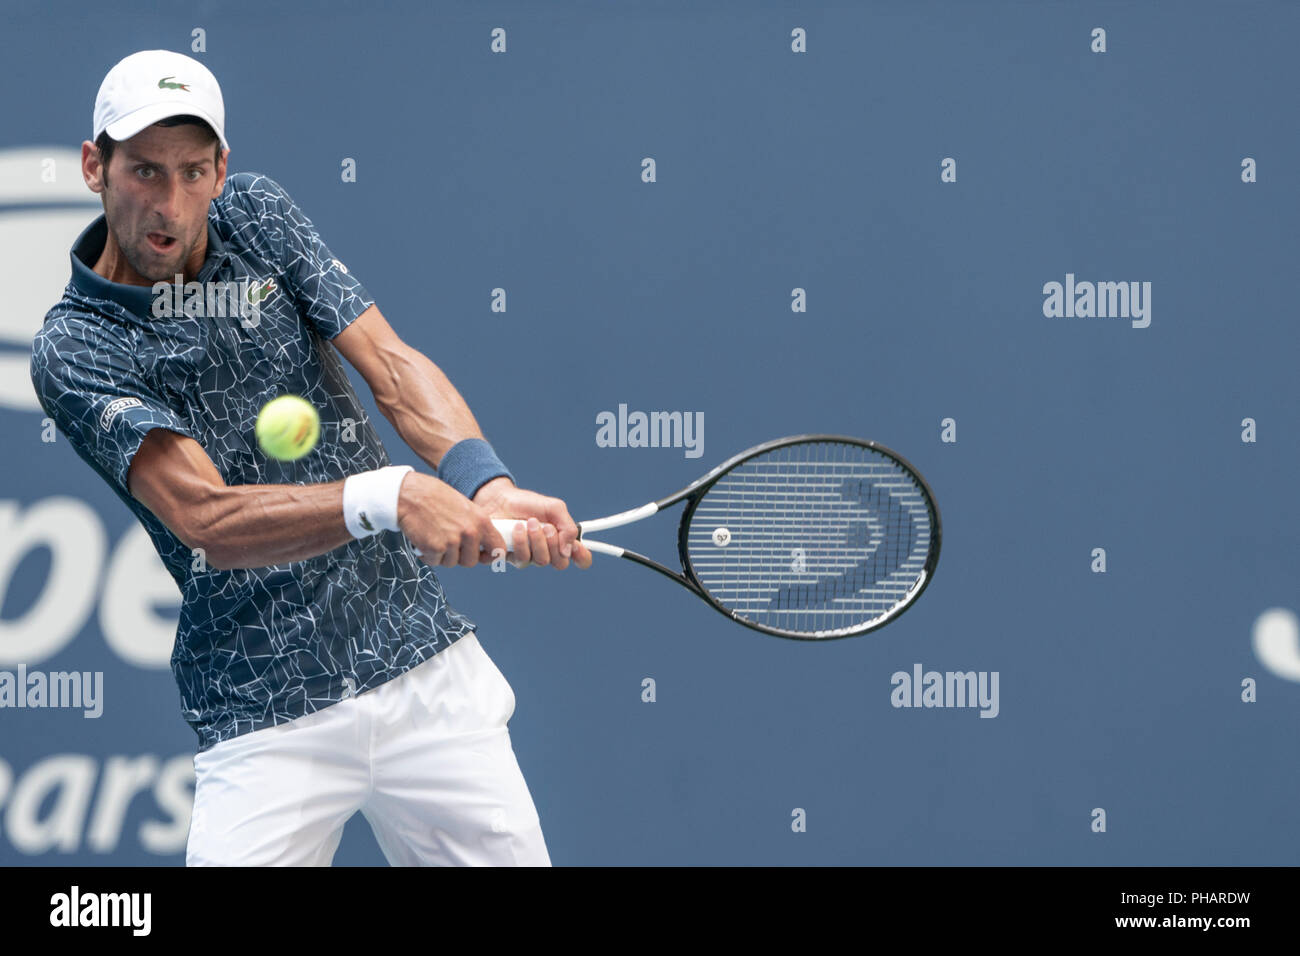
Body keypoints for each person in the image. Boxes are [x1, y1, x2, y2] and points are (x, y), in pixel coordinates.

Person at [29, 49, 590, 866]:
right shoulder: (76, 347)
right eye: (145, 171)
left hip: (414, 664)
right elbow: (207, 519)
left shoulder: (258, 216)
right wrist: (393, 493)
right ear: (95, 166)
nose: (171, 205)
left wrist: (484, 481)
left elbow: (391, 367)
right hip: (263, 706)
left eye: (193, 172)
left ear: (223, 170)